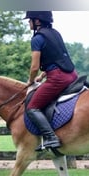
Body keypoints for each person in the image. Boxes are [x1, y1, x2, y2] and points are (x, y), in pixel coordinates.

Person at [23, 11, 78, 151]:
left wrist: (31, 80)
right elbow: (57, 58)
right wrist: (42, 76)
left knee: (32, 108)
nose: (28, 22)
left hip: (58, 78)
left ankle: (51, 137)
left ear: (38, 21)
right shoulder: (55, 33)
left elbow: (34, 66)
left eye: (30, 20)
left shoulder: (37, 39)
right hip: (72, 74)